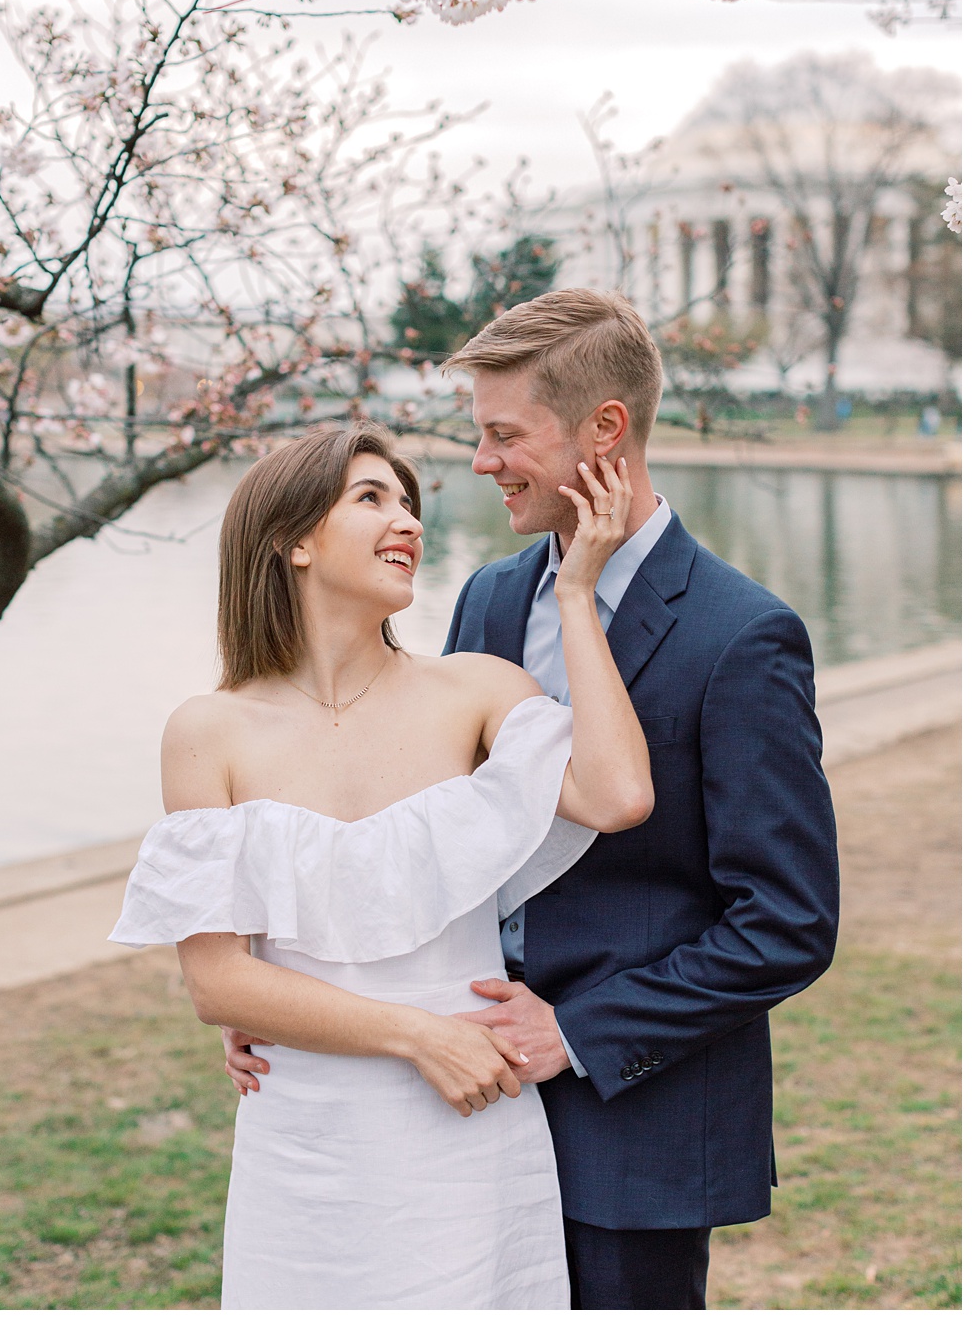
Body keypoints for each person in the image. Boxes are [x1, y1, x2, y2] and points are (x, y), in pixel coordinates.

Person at [220, 289, 839, 1308]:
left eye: (503, 435)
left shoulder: (740, 636)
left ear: (603, 432)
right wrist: (282, 983)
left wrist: (578, 1032)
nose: (478, 463)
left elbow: (787, 922)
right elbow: (428, 830)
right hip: (439, 1109)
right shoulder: (488, 599)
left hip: (627, 1132)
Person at [111, 416, 653, 1307]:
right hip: (310, 1140)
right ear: (291, 540)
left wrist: (576, 595)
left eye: (407, 501)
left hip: (473, 1128)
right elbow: (218, 983)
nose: (408, 520)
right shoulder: (207, 731)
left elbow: (619, 793)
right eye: (371, 498)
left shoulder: (475, 689)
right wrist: (421, 1036)